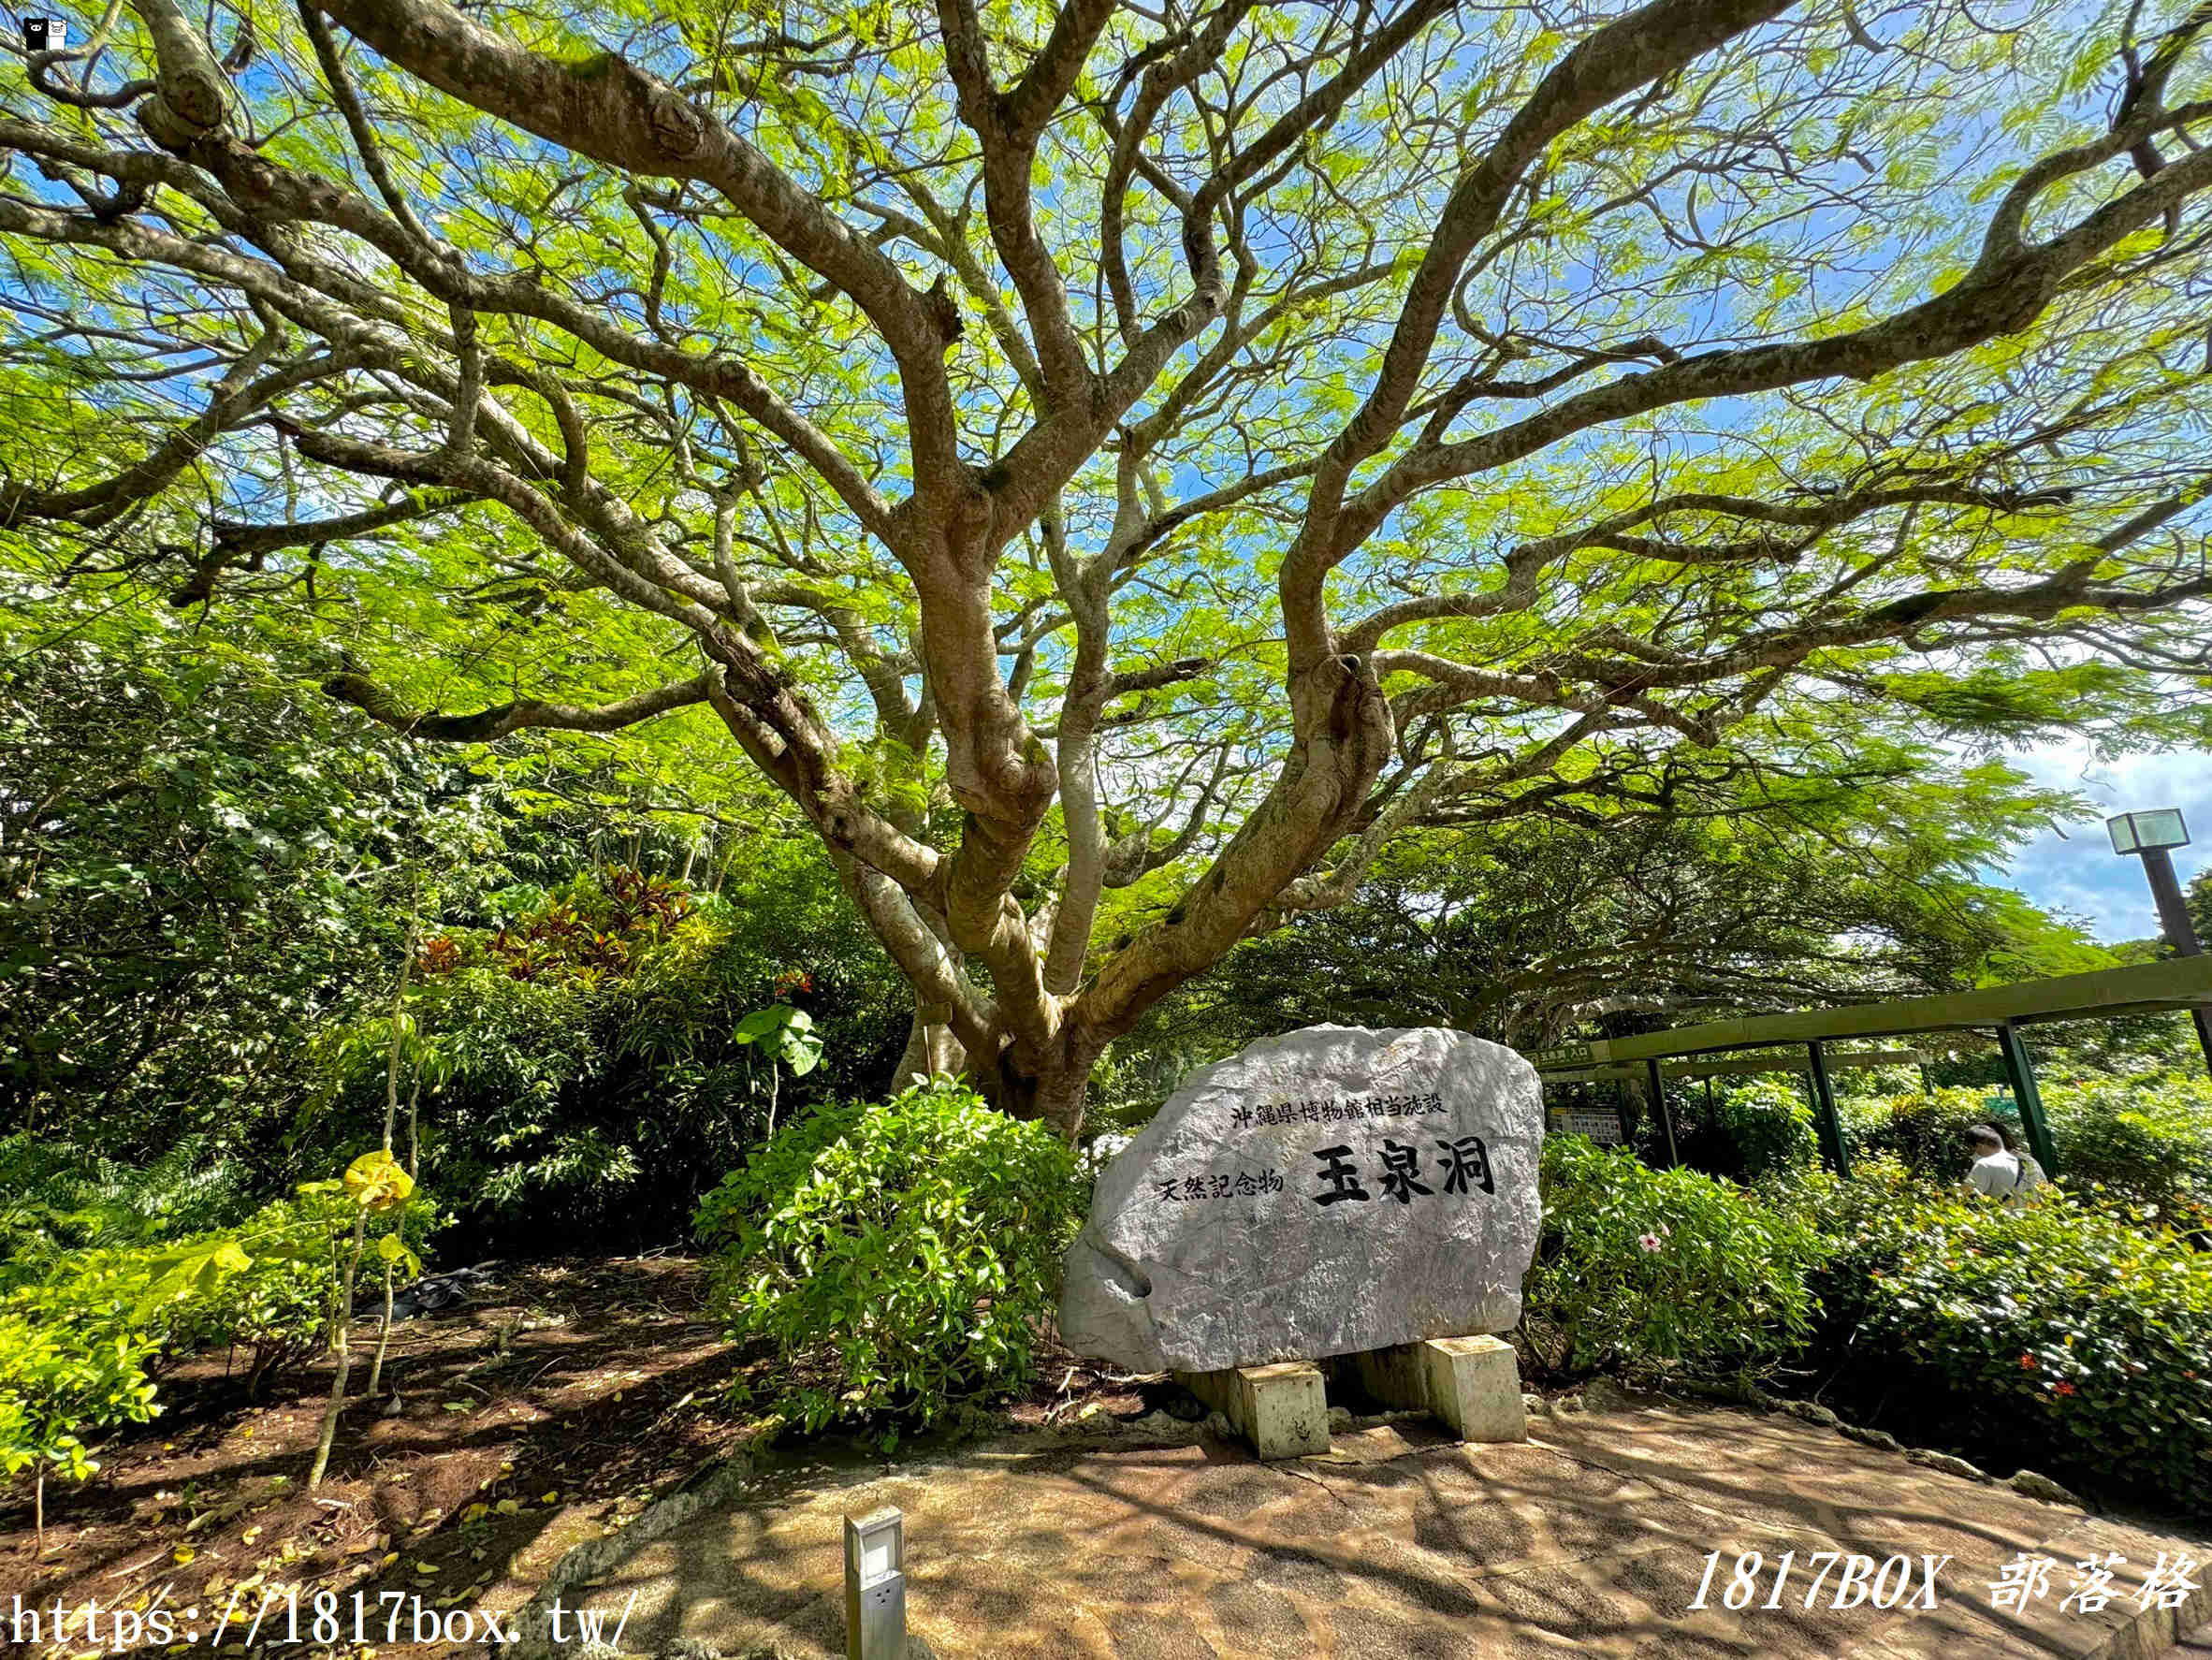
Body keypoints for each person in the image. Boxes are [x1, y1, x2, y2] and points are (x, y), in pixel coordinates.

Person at [1963, 1123, 2045, 1210]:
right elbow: (2045, 1191)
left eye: (1974, 1148)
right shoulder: (2029, 1160)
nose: (1974, 1153)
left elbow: (1967, 1195)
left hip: (2006, 1218)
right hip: (2036, 1218)